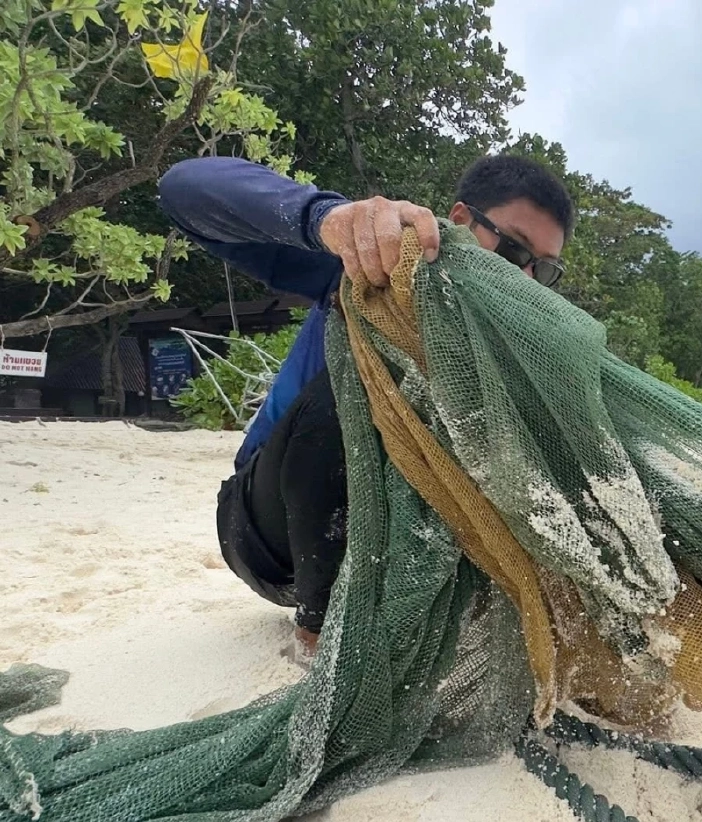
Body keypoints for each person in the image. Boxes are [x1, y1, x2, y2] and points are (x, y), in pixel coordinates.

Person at [157, 155, 575, 655]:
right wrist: (328, 218)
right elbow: (183, 188)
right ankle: (317, 635)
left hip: (388, 554)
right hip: (269, 536)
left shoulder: (510, 349)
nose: (524, 279)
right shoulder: (370, 265)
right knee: (355, 388)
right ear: (461, 220)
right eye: (511, 250)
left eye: (543, 269)